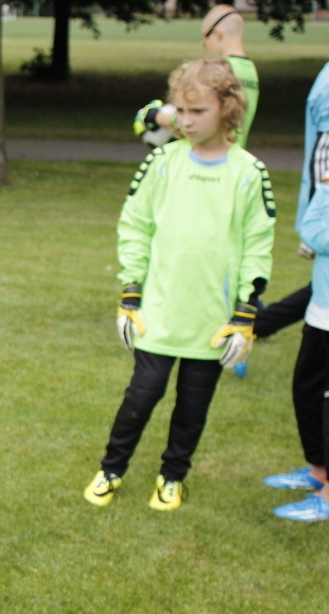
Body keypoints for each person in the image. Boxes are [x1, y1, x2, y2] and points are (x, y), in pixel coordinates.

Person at [85, 57, 275, 511]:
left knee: (193, 407)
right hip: (160, 311)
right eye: (180, 111)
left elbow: (258, 245)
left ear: (227, 109)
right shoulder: (161, 162)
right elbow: (135, 225)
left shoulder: (250, 172)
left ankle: (173, 476)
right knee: (142, 395)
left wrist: (246, 312)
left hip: (212, 318)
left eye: (198, 112)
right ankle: (112, 468)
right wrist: (131, 292)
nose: (185, 122)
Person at [264, 60, 329, 521]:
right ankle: (319, 473)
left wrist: (313, 222)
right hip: (323, 297)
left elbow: (318, 224)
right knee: (308, 386)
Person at [139, 5, 260, 151]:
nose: (206, 47)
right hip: (235, 157)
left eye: (205, 41)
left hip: (210, 158)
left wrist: (156, 116)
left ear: (217, 33)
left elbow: (203, 118)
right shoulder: (250, 70)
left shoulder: (220, 71)